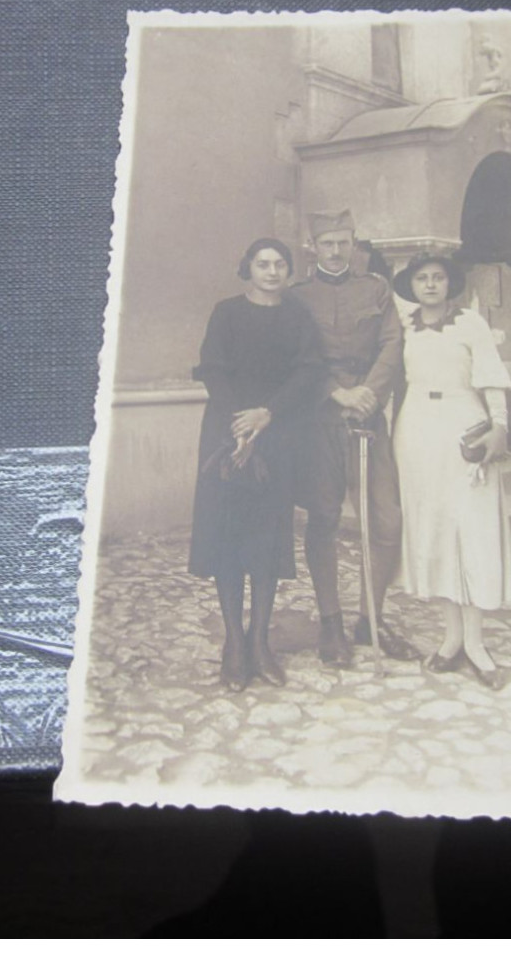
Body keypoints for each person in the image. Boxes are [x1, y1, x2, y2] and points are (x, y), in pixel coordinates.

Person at [189, 238, 324, 692]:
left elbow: (309, 371)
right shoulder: (225, 312)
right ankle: (233, 644)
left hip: (277, 435)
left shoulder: (297, 315)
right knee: (228, 539)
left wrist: (268, 415)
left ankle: (260, 643)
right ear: (247, 268)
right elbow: (213, 369)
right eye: (263, 264)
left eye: (279, 264)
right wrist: (239, 427)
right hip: (225, 437)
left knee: (267, 543)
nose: (271, 271)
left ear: (288, 271)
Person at [289, 211, 420, 666]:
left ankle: (370, 616)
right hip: (321, 419)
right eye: (327, 243)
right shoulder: (298, 297)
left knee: (386, 520)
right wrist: (336, 393)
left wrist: (369, 393)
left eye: (343, 243)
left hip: (367, 415)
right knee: (323, 517)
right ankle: (331, 624)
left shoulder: (376, 289)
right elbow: (297, 354)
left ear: (353, 243)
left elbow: (392, 343)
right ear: (313, 246)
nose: (336, 251)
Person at [390, 254, 511, 687]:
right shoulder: (402, 326)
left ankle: (477, 645)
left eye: (437, 278)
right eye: (421, 278)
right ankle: (450, 638)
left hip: (464, 423)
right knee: (436, 527)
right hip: (416, 430)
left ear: (449, 283)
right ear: (411, 285)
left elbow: (490, 377)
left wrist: (498, 426)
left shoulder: (470, 324)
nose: (429, 285)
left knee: (471, 528)